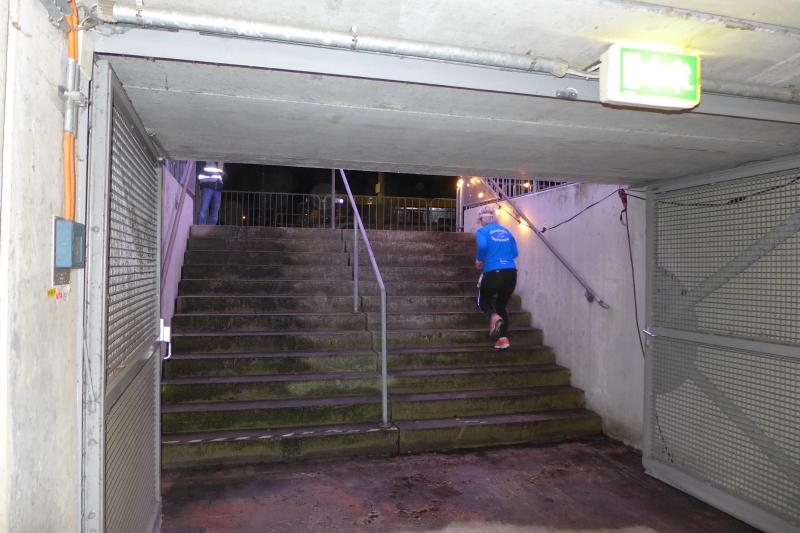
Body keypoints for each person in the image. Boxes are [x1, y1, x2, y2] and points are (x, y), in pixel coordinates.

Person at [474, 205, 519, 349]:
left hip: (493, 272)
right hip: (511, 273)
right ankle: (503, 339)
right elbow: (515, 252)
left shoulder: (481, 231)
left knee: (482, 301)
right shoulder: (506, 230)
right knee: (501, 305)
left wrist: (479, 260)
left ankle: (493, 316)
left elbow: (482, 246)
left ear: (482, 219)